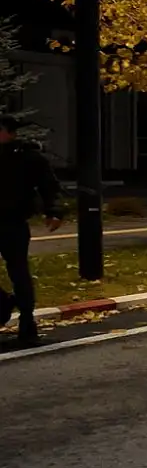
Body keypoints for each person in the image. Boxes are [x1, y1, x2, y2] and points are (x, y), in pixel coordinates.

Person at [0, 116, 63, 346]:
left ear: (10, 133)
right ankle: (5, 303)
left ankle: (27, 323)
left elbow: (49, 185)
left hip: (13, 223)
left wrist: (54, 211)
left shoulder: (27, 157)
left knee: (19, 273)